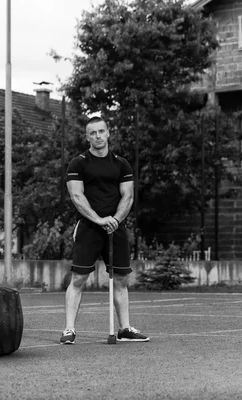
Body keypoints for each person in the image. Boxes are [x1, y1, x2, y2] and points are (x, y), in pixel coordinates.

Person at [60, 116, 149, 344]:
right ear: (87, 137)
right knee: (79, 278)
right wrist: (100, 220)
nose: (98, 136)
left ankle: (125, 329)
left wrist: (115, 220)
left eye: (102, 131)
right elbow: (76, 196)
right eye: (93, 133)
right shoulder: (78, 163)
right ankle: (69, 330)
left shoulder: (121, 164)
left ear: (108, 133)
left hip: (115, 228)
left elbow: (128, 196)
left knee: (120, 280)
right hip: (89, 227)